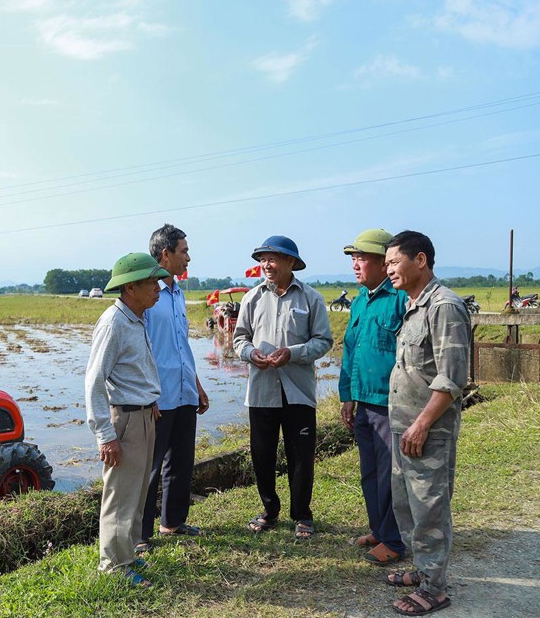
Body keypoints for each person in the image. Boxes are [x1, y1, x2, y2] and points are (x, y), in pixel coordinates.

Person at [383, 230, 471, 616]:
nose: (388, 270)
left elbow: (451, 379)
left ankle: (435, 587)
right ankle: (422, 571)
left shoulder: (445, 306)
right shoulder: (412, 305)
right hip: (405, 426)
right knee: (407, 505)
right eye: (385, 264)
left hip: (427, 429)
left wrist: (421, 424)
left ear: (420, 260)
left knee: (430, 507)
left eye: (393, 262)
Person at [233, 235, 333, 540]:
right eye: (262, 259)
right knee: (262, 455)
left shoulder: (310, 298)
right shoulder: (252, 298)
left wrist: (293, 353)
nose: (266, 264)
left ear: (291, 262)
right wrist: (251, 354)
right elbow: (239, 340)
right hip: (261, 391)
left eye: (273, 258)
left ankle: (302, 514)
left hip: (298, 392)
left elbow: (323, 341)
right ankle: (269, 510)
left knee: (301, 456)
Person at [85, 252, 169, 587]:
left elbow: (135, 371)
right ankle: (113, 567)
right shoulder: (113, 323)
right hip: (126, 421)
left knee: (135, 492)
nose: (158, 288)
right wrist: (105, 434)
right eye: (151, 282)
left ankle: (128, 555)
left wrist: (151, 402)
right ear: (130, 287)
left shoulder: (136, 317)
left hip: (144, 414)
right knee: (120, 495)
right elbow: (94, 381)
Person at [138, 224, 210, 554]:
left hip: (183, 391)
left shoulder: (178, 292)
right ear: (165, 254)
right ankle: (140, 535)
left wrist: (196, 384)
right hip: (159, 395)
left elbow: (181, 345)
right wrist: (148, 394)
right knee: (150, 466)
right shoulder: (148, 295)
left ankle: (173, 521)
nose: (188, 257)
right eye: (183, 251)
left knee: (181, 461)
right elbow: (142, 349)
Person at [338, 229, 409, 564]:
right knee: (370, 471)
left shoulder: (399, 299)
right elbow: (350, 352)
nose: (356, 264)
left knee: (389, 475)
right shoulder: (359, 302)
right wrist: (346, 396)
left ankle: (393, 541)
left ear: (385, 261)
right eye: (353, 258)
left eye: (362, 257)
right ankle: (379, 531)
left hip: (389, 403)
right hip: (363, 402)